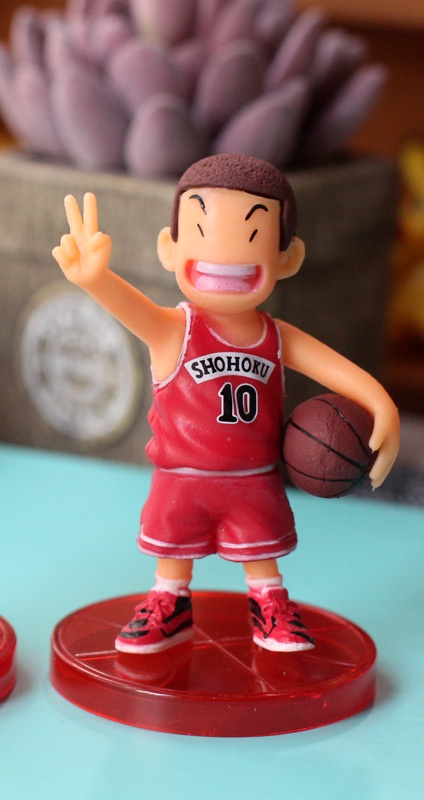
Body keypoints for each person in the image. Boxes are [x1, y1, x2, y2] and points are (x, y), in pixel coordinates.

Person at [52, 153, 399, 654]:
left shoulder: (276, 336)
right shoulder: (173, 329)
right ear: (169, 248)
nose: (225, 255)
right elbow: (130, 308)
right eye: (201, 229)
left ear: (287, 258)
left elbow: (342, 373)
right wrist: (94, 279)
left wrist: (382, 404)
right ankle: (169, 604)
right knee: (172, 555)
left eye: (254, 234)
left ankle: (271, 606)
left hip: (253, 477)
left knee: (262, 558)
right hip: (181, 475)